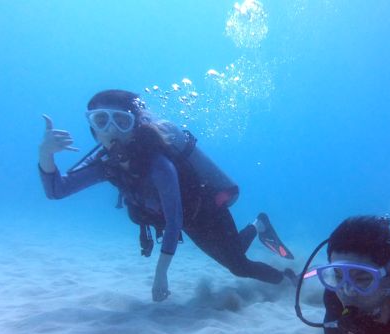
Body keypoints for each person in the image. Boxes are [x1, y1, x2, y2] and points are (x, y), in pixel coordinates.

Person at [38, 89, 295, 302]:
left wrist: (161, 273)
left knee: (238, 266)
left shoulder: (158, 164)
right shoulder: (106, 164)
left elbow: (174, 221)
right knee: (234, 253)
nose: (112, 130)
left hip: (206, 214)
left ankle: (288, 280)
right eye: (101, 121)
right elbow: (57, 190)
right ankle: (258, 224)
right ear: (93, 129)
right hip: (184, 221)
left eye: (122, 121)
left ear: (136, 126)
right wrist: (45, 154)